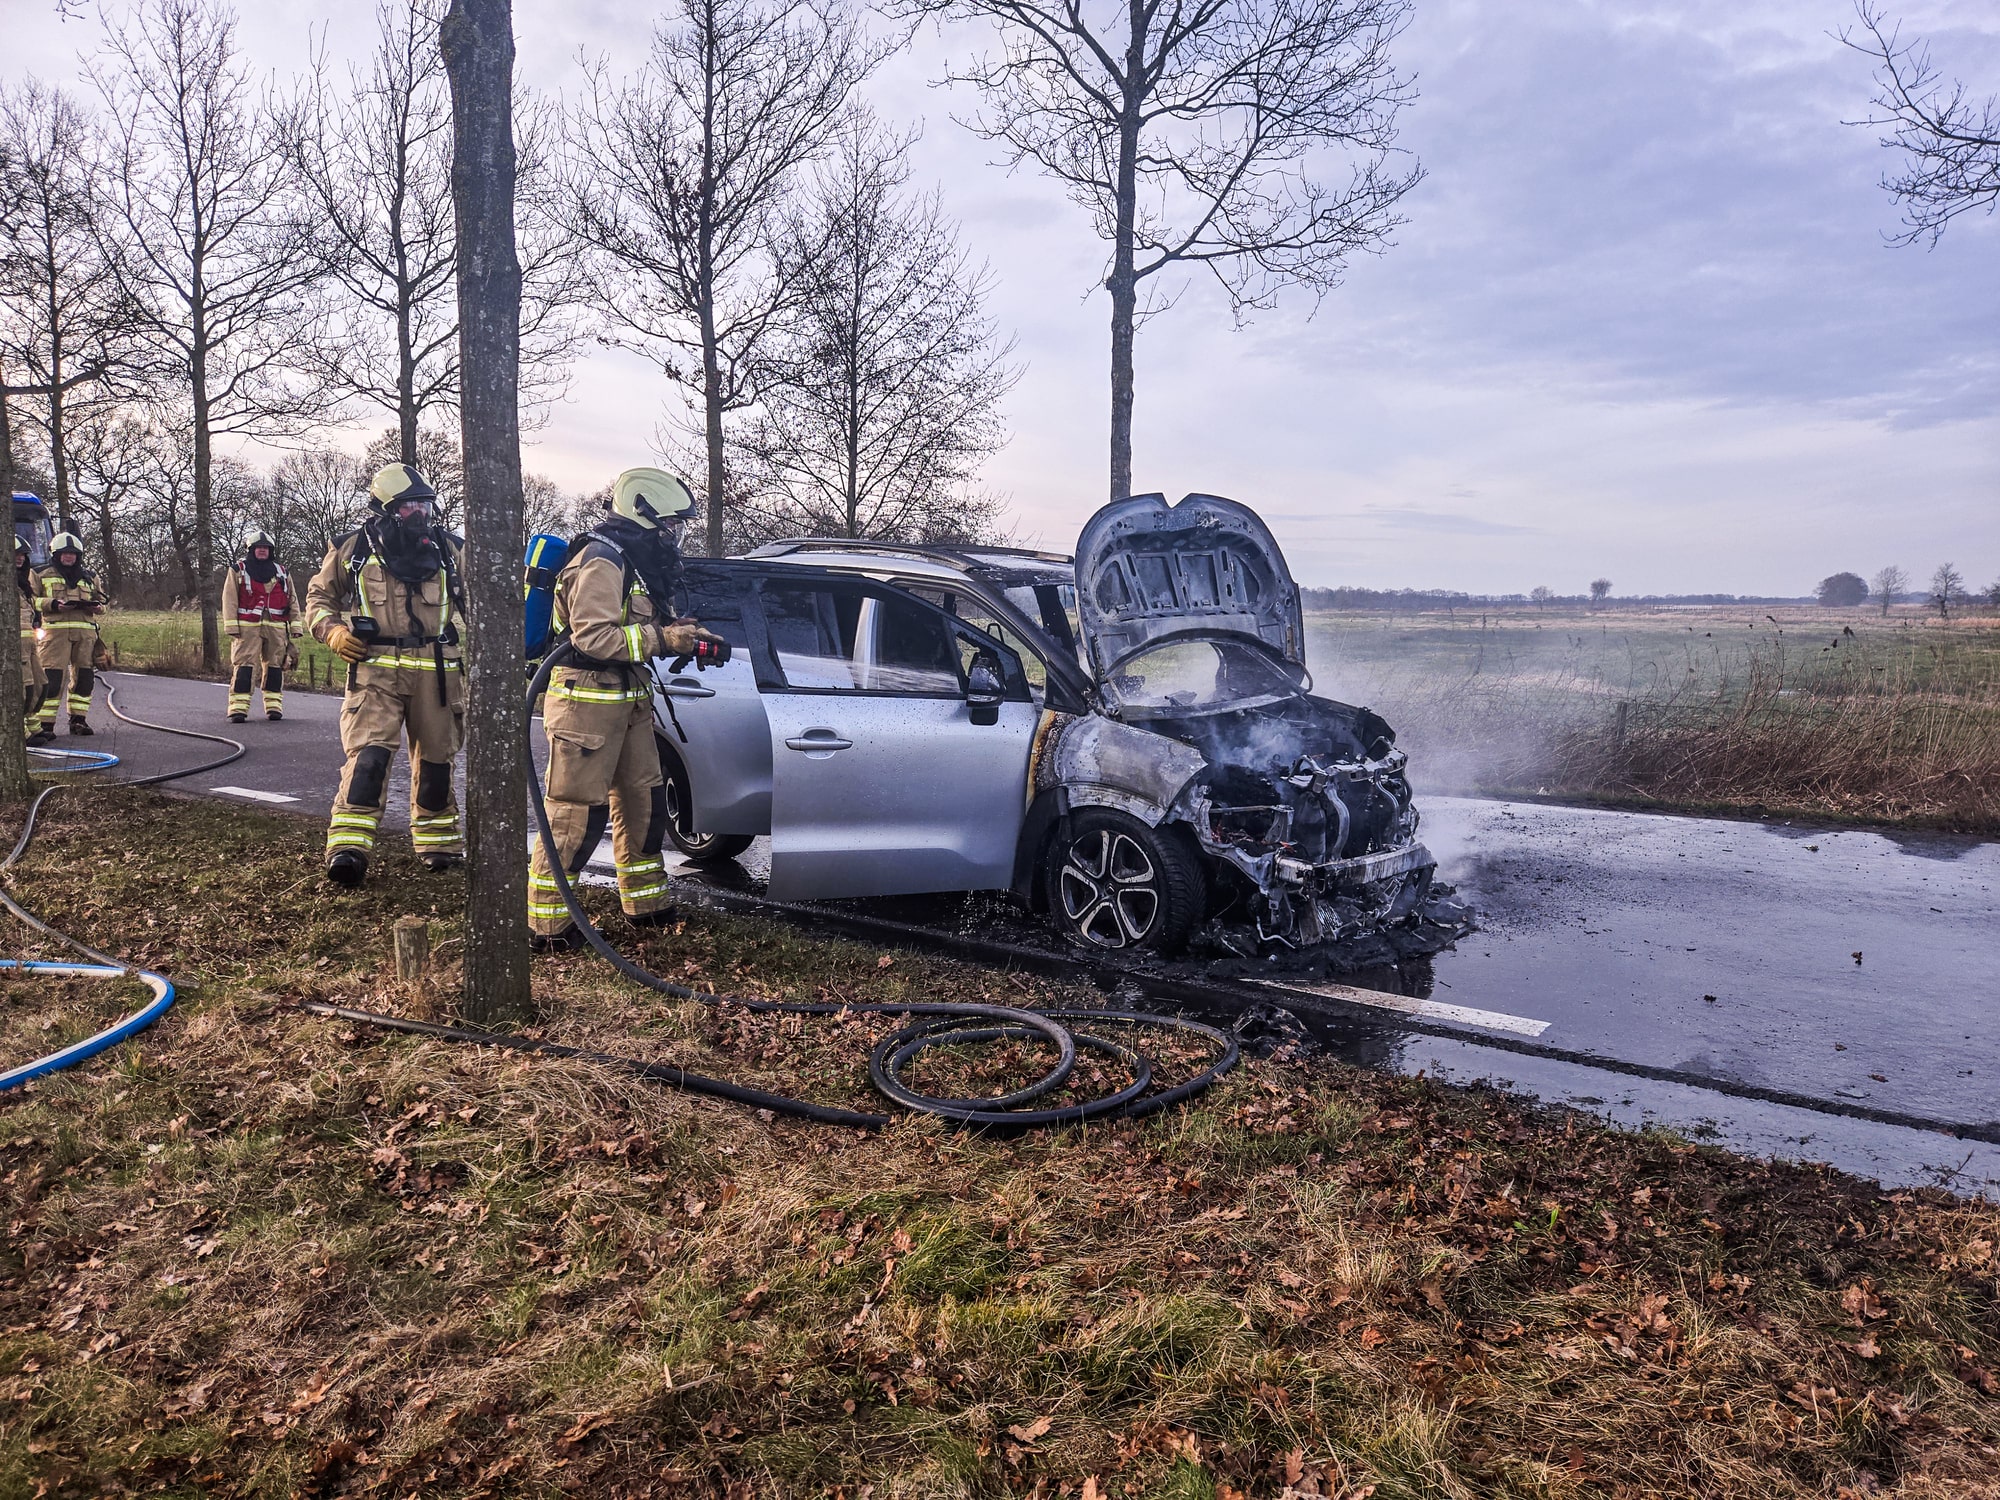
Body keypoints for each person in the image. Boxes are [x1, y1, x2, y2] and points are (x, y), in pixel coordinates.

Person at [527, 467, 727, 950]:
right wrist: (662, 638)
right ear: (643, 513)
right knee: (577, 813)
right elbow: (592, 636)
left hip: (630, 699)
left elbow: (639, 630)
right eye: (669, 524)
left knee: (645, 802)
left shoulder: (634, 562)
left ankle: (646, 903)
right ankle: (548, 924)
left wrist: (683, 634)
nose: (674, 534)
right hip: (585, 703)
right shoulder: (600, 559)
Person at [304, 464, 466, 887]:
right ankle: (348, 850)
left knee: (436, 763)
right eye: (410, 505)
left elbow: (485, 604)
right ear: (387, 509)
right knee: (369, 759)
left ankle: (439, 847)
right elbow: (318, 598)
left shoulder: (450, 549)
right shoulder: (353, 549)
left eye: (425, 504)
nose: (420, 512)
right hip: (374, 670)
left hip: (438, 673)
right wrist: (334, 631)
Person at [31, 531, 106, 738]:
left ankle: (78, 721)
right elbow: (30, 600)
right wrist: (53, 604)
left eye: (73, 553)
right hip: (55, 635)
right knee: (52, 679)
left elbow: (101, 602)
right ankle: (45, 725)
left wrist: (98, 608)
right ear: (55, 554)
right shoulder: (39, 573)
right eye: (64, 553)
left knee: (84, 678)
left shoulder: (90, 577)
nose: (69, 557)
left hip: (86, 635)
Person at [221, 528, 296, 722]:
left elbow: (292, 601)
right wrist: (231, 627)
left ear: (271, 551)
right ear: (251, 549)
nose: (262, 550)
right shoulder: (238, 569)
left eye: (266, 548)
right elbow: (229, 599)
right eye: (258, 548)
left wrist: (296, 629)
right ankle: (238, 708)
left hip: (276, 628)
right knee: (245, 666)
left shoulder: (282, 572)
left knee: (275, 667)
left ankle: (273, 706)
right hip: (247, 628)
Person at [16, 535, 44, 740]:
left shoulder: (25, 584)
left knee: (40, 683)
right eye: (15, 555)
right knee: (23, 686)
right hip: (14, 644)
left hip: (31, 642)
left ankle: (34, 725)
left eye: (23, 556)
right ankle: (19, 733)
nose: (20, 559)